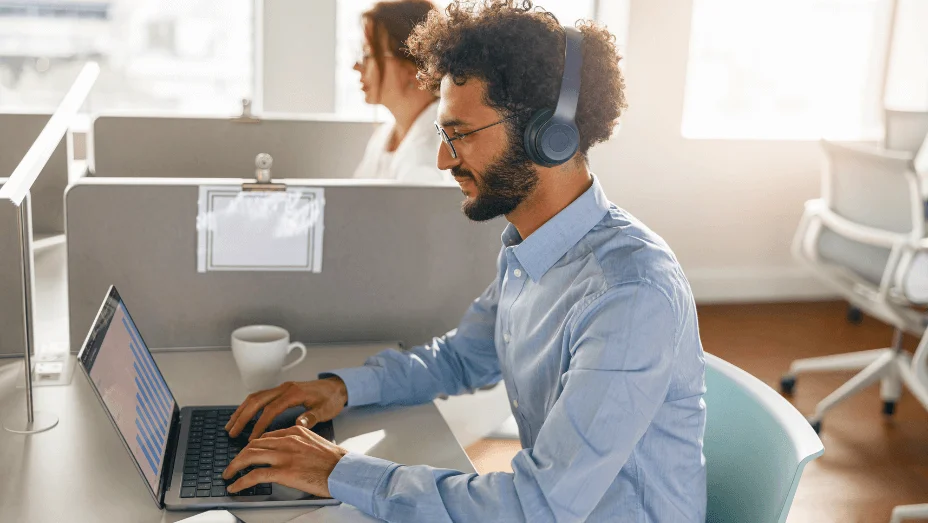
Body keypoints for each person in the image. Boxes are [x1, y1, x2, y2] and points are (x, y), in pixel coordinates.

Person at [223, 1, 707, 521]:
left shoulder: (628, 293)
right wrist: (340, 388)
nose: (442, 159)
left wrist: (336, 470)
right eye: (442, 134)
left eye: (460, 135)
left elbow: (535, 506)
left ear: (549, 136)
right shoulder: (532, 248)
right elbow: (459, 359)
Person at [351, 0, 452, 183]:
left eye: (368, 54)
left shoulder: (431, 155)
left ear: (413, 69)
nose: (356, 66)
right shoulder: (384, 135)